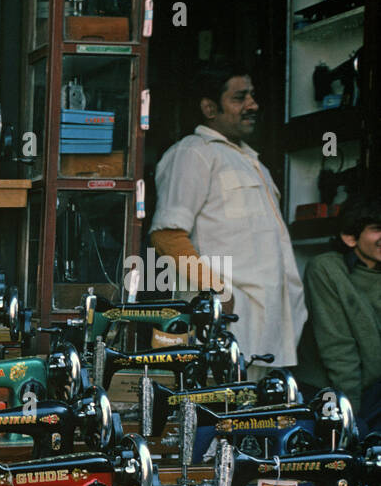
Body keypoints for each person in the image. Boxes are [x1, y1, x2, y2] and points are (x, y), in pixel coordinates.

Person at [149, 60, 306, 367]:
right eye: (239, 98)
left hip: (270, 328)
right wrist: (216, 291)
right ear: (209, 108)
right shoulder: (192, 153)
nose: (252, 105)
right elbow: (167, 236)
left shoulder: (253, 161)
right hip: (226, 324)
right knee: (219, 410)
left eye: (252, 96)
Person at [293, 197, 381, 432]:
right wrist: (350, 421)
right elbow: (338, 349)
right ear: (350, 237)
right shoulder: (327, 268)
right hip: (330, 392)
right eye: (377, 229)